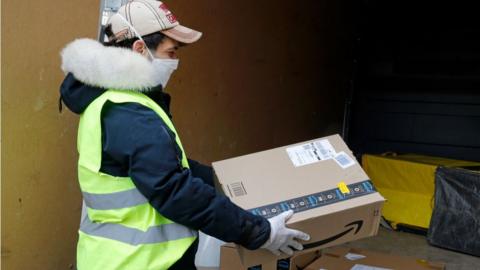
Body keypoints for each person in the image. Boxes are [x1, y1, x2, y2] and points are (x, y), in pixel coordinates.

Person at [59, 1, 310, 269]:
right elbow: (175, 191)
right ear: (140, 48)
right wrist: (261, 233)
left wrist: (225, 178)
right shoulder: (129, 111)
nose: (175, 62)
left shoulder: (109, 100)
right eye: (171, 52)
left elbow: (157, 168)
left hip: (118, 259)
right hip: (140, 263)